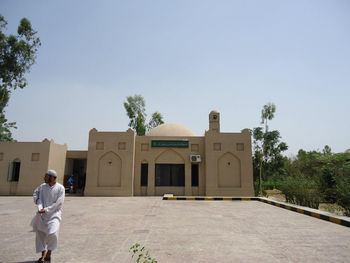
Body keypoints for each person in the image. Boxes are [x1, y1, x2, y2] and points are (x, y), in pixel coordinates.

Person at [34, 170, 65, 263]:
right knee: (40, 235)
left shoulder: (60, 188)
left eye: (46, 176)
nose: (44, 178)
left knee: (53, 233)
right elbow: (36, 195)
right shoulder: (42, 187)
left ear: (52, 177)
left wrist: (46, 209)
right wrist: (39, 205)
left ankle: (49, 253)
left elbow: (58, 203)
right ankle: (43, 255)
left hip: (54, 215)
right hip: (42, 215)